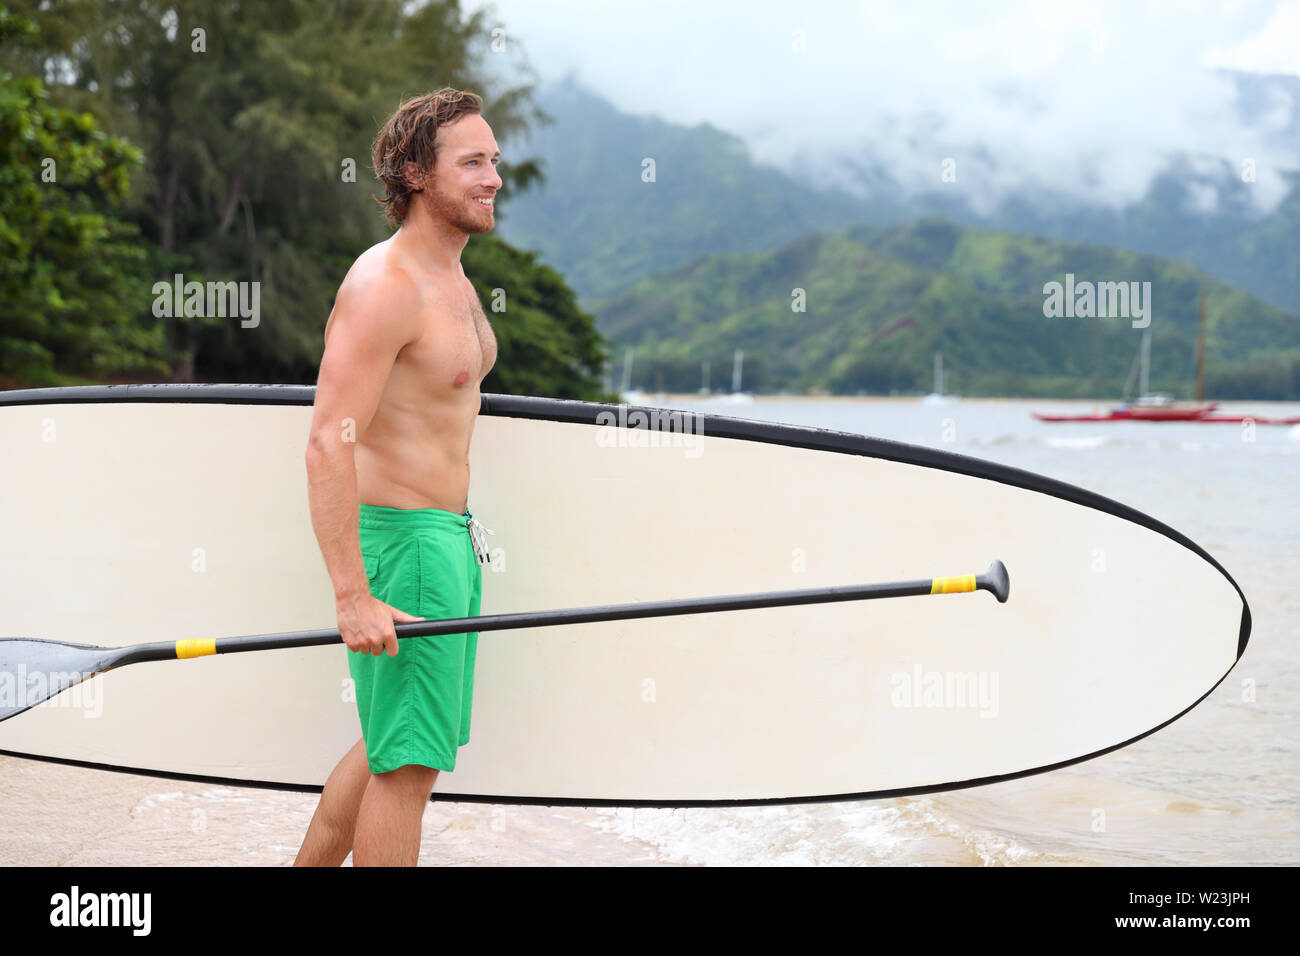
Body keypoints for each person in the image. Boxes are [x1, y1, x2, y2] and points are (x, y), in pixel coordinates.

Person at [294, 88, 500, 866]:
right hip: (405, 548)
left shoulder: (452, 277)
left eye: (494, 161)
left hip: (446, 542)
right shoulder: (386, 285)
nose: (492, 179)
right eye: (472, 162)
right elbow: (327, 443)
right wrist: (352, 594)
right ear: (415, 172)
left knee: (395, 744)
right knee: (407, 769)